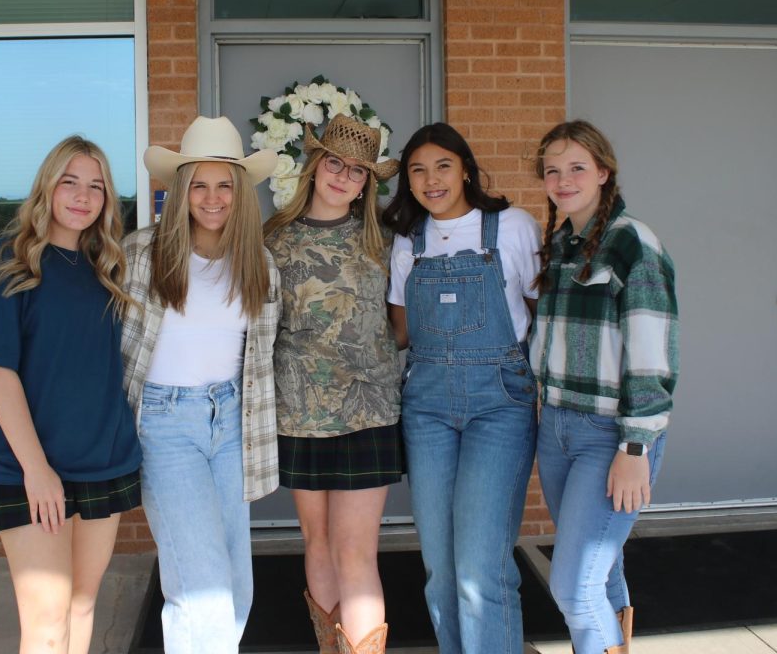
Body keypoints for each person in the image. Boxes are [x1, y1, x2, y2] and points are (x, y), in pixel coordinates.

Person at [0, 135, 142, 654]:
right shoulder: (9, 261)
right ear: (47, 186)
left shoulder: (108, 267)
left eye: (97, 187)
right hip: (30, 470)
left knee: (82, 606)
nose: (83, 197)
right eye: (70, 182)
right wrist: (37, 471)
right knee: (46, 623)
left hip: (103, 458)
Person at [120, 115, 279, 654]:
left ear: (240, 193)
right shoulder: (140, 255)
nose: (212, 198)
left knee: (235, 585)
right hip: (166, 425)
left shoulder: (257, 263)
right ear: (182, 189)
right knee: (200, 588)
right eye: (200, 185)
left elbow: (263, 358)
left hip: (232, 422)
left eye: (225, 185)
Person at [382, 122, 541, 654]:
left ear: (466, 169)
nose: (431, 179)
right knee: (441, 571)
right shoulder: (409, 238)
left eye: (443, 165)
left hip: (499, 403)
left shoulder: (512, 226)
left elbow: (542, 316)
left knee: (480, 570)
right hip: (425, 405)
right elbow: (400, 332)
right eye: (418, 170)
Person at [530, 120, 679, 654]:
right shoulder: (561, 246)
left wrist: (634, 447)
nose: (563, 179)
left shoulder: (633, 244)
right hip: (557, 431)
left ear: (602, 171)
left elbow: (651, 354)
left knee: (572, 587)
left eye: (576, 167)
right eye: (552, 170)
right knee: (603, 569)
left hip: (609, 435)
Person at [263, 115, 403, 654]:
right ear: (315, 166)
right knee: (317, 542)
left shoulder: (384, 240)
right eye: (335, 163)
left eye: (358, 172)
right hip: (299, 411)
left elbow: (400, 324)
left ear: (368, 183)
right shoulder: (273, 237)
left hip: (368, 412)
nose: (344, 177)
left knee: (356, 553)